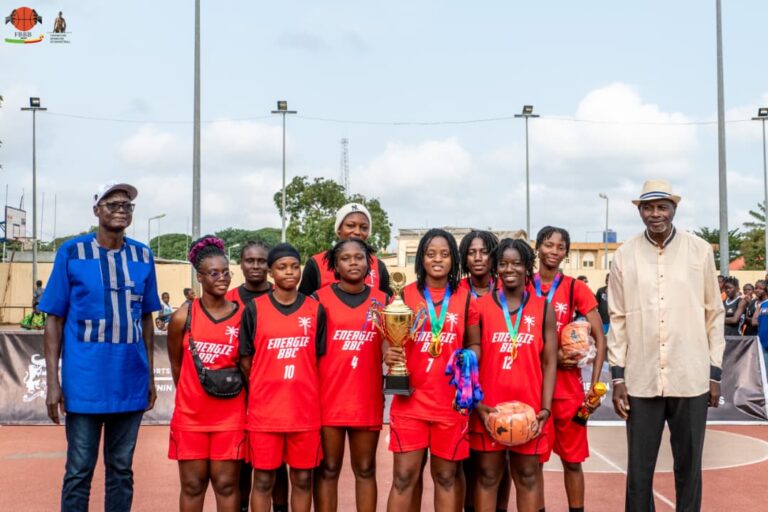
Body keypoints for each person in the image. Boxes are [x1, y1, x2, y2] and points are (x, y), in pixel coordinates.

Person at [39, 181, 161, 511]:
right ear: (96, 211)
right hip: (84, 383)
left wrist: (148, 375)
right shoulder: (72, 252)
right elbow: (54, 319)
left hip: (130, 380)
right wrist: (53, 384)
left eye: (127, 205)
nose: (121, 209)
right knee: (79, 471)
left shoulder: (142, 255)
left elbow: (147, 318)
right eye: (112, 204)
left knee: (121, 470)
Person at [608, 179, 724, 511]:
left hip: (690, 377)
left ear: (674, 209)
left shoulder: (699, 250)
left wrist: (714, 372)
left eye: (662, 207)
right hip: (641, 379)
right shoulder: (624, 255)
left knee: (689, 468)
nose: (655, 214)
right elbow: (618, 318)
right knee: (639, 473)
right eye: (648, 207)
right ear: (640, 211)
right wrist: (618, 378)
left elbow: (714, 313)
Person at [384, 228, 479, 512]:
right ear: (421, 259)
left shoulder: (464, 298)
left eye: (445, 254)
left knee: (446, 477)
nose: (437, 259)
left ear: (454, 260)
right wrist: (389, 354)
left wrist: (468, 359)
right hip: (410, 400)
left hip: (449, 404)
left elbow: (474, 342)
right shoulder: (404, 296)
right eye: (430, 253)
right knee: (403, 478)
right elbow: (387, 341)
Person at [466, 238, 557, 512]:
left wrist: (545, 409)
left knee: (528, 476)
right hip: (488, 408)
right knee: (488, 476)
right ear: (495, 267)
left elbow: (550, 362)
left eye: (517, 263)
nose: (510, 269)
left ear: (528, 267)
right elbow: (470, 359)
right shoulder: (479, 307)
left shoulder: (543, 308)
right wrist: (477, 404)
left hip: (529, 410)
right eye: (503, 263)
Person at [239, 243, 326, 512]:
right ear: (270, 272)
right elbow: (245, 360)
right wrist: (266, 386)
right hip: (266, 412)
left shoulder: (315, 309)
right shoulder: (254, 309)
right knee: (263, 479)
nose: (289, 272)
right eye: (282, 267)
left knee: (302, 478)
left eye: (294, 266)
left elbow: (319, 359)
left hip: (304, 412)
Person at [167, 236, 246, 511]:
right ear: (200, 277)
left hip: (230, 415)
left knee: (226, 485)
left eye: (226, 272)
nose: (222, 278)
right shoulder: (182, 317)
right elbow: (177, 365)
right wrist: (192, 394)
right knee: (192, 485)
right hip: (191, 416)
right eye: (214, 273)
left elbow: (247, 365)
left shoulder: (242, 315)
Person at [532, 226, 607, 512]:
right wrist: (547, 357)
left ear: (566, 252)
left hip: (567, 391)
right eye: (548, 245)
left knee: (572, 462)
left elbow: (600, 338)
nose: (553, 251)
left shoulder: (575, 287)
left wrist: (594, 387)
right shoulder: (523, 284)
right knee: (533, 463)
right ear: (538, 247)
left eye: (560, 247)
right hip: (534, 388)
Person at [313, 239, 387, 512]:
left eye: (360, 257)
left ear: (369, 262)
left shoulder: (384, 300)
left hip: (365, 398)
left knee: (366, 468)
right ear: (335, 264)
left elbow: (390, 343)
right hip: (328, 399)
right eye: (346, 258)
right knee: (328, 469)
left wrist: (392, 353)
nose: (354, 262)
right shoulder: (318, 300)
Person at [224, 240, 288, 512]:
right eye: (250, 261)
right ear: (240, 264)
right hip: (239, 394)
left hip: (277, 396)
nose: (256, 266)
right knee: (243, 462)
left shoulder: (285, 295)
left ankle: (281, 507)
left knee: (277, 464)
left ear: (270, 267)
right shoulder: (228, 300)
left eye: (262, 261)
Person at [456, 230, 509, 512]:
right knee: (468, 463)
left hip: (500, 383)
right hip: (465, 389)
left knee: (502, 463)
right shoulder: (457, 291)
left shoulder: (507, 290)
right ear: (464, 257)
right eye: (471, 252)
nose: (478, 258)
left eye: (484, 252)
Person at [299, 202, 391, 296]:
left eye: (364, 228)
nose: (357, 232)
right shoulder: (316, 263)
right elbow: (304, 304)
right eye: (350, 226)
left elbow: (389, 306)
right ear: (339, 229)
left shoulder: (378, 266)